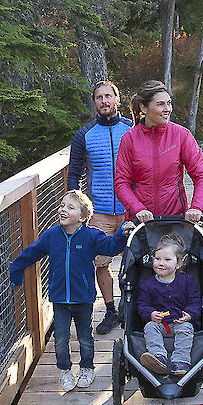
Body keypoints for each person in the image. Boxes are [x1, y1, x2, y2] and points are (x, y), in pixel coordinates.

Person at [8, 190, 128, 391]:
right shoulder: (51, 236)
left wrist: (122, 232)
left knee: (84, 337)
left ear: (82, 217)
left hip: (83, 299)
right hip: (60, 299)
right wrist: (16, 270)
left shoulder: (91, 236)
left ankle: (87, 368)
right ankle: (65, 371)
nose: (63, 209)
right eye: (62, 205)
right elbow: (31, 252)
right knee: (61, 339)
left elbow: (110, 247)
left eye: (70, 207)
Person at [66, 80, 135, 335]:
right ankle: (110, 310)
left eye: (108, 96)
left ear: (117, 100)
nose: (104, 101)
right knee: (100, 263)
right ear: (94, 102)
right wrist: (75, 208)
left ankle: (135, 307)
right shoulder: (84, 135)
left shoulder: (131, 129)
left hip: (131, 210)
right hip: (101, 213)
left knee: (138, 261)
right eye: (99, 98)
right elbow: (75, 173)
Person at [114, 80, 203, 225]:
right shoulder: (129, 139)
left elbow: (202, 175)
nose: (168, 109)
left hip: (176, 219)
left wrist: (196, 207)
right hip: (141, 220)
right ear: (144, 108)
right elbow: (121, 182)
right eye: (160, 104)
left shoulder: (181, 135)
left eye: (169, 103)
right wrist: (138, 209)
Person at [136, 234, 202, 376]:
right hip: (160, 324)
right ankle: (157, 357)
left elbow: (195, 302)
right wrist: (150, 314)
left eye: (167, 260)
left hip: (179, 321)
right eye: (157, 259)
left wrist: (189, 315)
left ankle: (181, 361)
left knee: (186, 328)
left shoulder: (185, 282)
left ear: (178, 263)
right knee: (150, 327)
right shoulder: (148, 285)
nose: (161, 263)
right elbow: (142, 304)